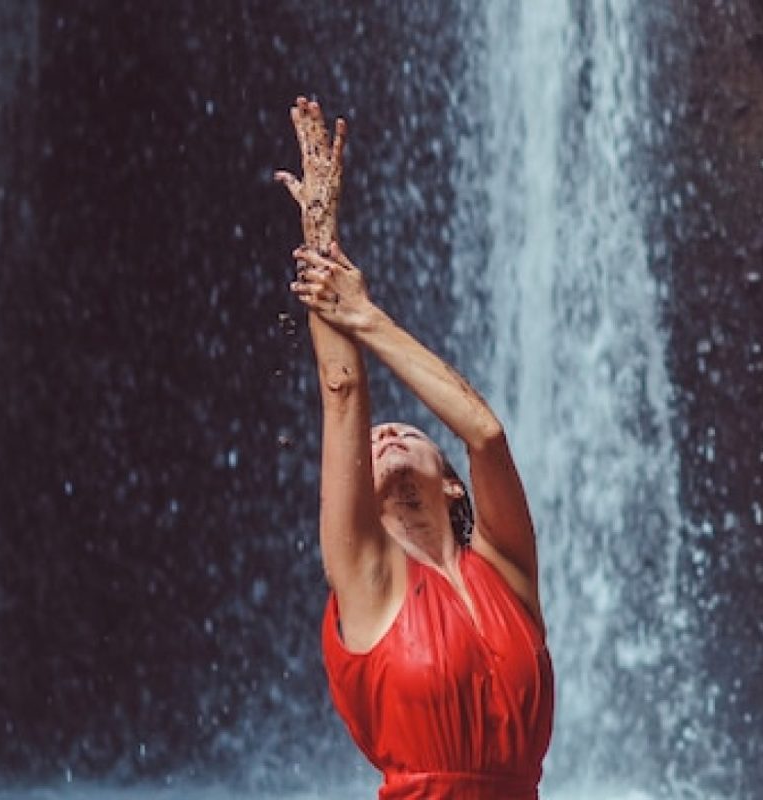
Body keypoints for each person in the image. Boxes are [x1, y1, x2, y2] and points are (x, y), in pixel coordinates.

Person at [275, 96, 554, 800]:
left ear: (452, 483)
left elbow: (484, 434)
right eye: (374, 442)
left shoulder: (508, 570)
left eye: (409, 433)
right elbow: (343, 392)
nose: (388, 431)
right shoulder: (366, 574)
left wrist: (369, 316)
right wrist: (321, 230)